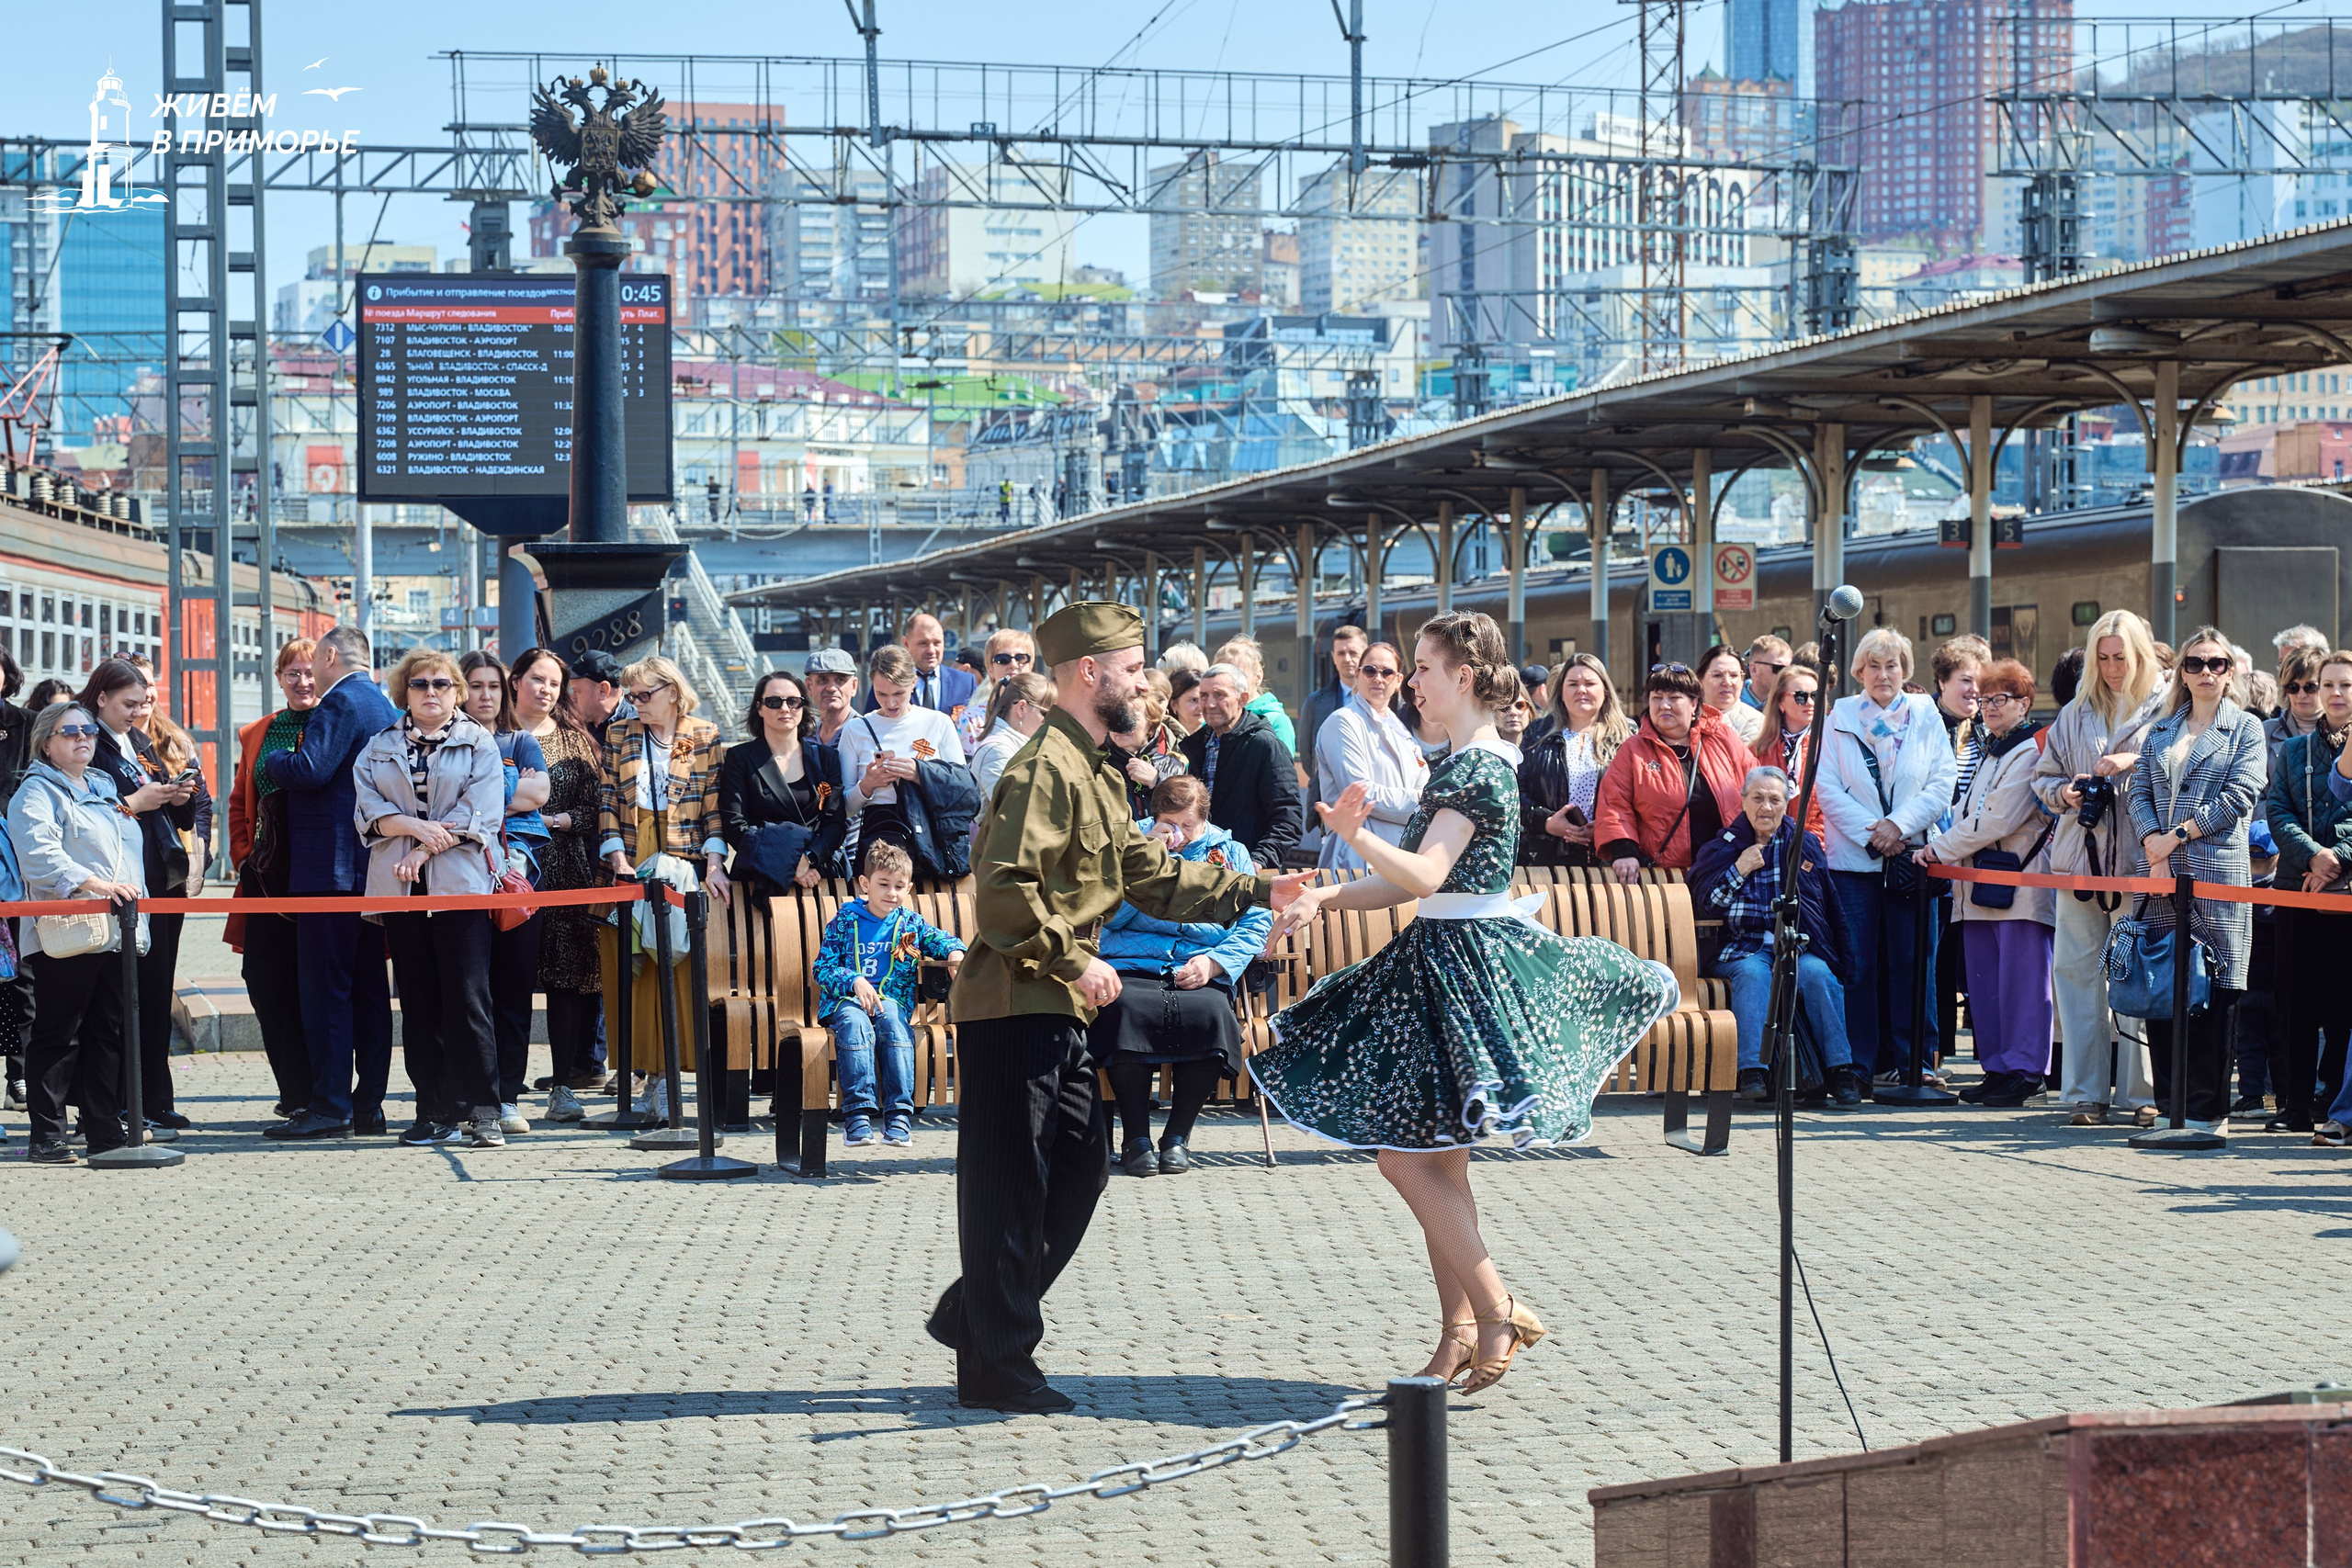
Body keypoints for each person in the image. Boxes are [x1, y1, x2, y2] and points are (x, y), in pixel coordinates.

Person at [1254, 610, 1678, 1394]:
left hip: (1462, 967)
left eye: (1422, 666)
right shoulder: (1460, 762)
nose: (1411, 680)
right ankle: (1459, 1334)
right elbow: (1406, 884)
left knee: (1403, 1157)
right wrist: (1328, 894)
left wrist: (1355, 833)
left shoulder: (1476, 768)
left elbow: (1422, 876)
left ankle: (1499, 1305)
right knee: (1437, 1160)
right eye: (1411, 667)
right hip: (1440, 960)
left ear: (1466, 678)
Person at [924, 601, 1307, 1415]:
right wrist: (1077, 957)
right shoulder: (1042, 771)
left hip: (1054, 1004)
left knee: (1078, 1168)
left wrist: (1258, 887)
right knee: (1010, 1186)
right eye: (1134, 668)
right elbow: (1000, 899)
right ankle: (996, 1361)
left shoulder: (1093, 768)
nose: (1146, 682)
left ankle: (977, 1313)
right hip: (1016, 1001)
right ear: (1088, 674)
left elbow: (1154, 874)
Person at [355, 650, 506, 1149]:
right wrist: (412, 828)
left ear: (457, 690)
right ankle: (432, 1109)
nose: (431, 692)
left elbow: (479, 815)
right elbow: (368, 811)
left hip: (458, 886)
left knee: (468, 998)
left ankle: (482, 1111)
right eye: (419, 685)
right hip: (400, 889)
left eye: (442, 683)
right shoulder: (378, 746)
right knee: (418, 1001)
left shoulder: (478, 742)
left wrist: (419, 848)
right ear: (405, 693)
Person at [2126, 626, 2267, 1142]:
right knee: (2165, 986)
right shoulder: (2163, 730)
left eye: (2217, 664)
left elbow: (2240, 796)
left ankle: (2208, 1109)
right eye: (2196, 663)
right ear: (2182, 673)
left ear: (2230, 672)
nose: (2206, 672)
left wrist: (2176, 836)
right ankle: (2170, 1105)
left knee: (2217, 986)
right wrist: (2152, 843)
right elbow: (2138, 788)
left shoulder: (2246, 728)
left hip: (2216, 876)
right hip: (2161, 875)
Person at [1094, 773, 1275, 1176]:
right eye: (1169, 823)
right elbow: (1102, 916)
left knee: (1212, 1015)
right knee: (1123, 1011)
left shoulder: (1231, 852)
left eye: (1187, 825)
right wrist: (1147, 864)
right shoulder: (1130, 845)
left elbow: (1256, 923)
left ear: (1205, 819)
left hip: (1200, 963)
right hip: (1131, 965)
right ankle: (1136, 1137)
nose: (1177, 833)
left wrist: (1216, 963)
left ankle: (1177, 1137)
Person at [2030, 610, 2168, 1127]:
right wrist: (2064, 793)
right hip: (2079, 862)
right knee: (2076, 976)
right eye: (2103, 658)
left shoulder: (2167, 707)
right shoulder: (2075, 711)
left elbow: (2184, 765)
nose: (2112, 668)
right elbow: (2042, 780)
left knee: (2135, 977)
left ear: (2140, 656)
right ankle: (2085, 1093)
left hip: (2140, 862)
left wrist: (2136, 762)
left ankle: (2141, 1093)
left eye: (2121, 658)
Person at [263, 624, 399, 1139]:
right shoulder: (383, 706)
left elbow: (310, 769)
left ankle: (329, 1105)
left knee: (326, 990)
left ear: (330, 655)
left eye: (316, 661)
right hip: (369, 872)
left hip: (330, 870)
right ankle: (368, 1105)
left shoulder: (339, 703)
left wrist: (273, 760)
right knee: (367, 990)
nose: (312, 673)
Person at [1815, 628, 1958, 1083]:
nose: (1883, 674)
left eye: (1892, 665)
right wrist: (1875, 834)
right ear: (1858, 671)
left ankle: (1916, 1061)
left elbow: (1943, 781)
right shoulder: (1839, 715)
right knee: (1858, 968)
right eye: (1873, 666)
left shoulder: (1925, 714)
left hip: (1912, 858)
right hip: (1854, 863)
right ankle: (1860, 1065)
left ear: (1905, 670)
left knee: (1914, 963)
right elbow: (1827, 788)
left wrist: (1900, 826)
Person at [8, 701, 147, 1164]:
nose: (83, 737)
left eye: (88, 730)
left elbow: (127, 855)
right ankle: (47, 1135)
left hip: (113, 926)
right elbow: (39, 857)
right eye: (70, 732)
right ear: (46, 743)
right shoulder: (35, 793)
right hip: (65, 929)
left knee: (106, 1031)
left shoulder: (104, 786)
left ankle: (104, 1131)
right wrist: (95, 884)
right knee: (58, 1033)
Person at [1915, 660, 2056, 1109]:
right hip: (1978, 886)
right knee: (1986, 985)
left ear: (2025, 703)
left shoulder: (2029, 749)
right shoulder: (1992, 748)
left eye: (2003, 699)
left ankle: (2025, 1070)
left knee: (2023, 983)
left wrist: (1940, 848)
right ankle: (1997, 1068)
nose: (1991, 707)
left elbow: (1998, 818)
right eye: (1986, 699)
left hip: (2019, 885)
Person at [599, 656, 731, 1120]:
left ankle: (671, 1080)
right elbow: (608, 799)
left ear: (672, 692)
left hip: (684, 860)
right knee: (631, 967)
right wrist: (616, 858)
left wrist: (716, 863)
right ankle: (642, 1078)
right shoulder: (621, 734)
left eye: (643, 695)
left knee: (677, 962)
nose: (634, 704)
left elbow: (715, 806)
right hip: (632, 853)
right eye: (630, 695)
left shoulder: (705, 734)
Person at [75, 658, 203, 1132]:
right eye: (128, 703)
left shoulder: (139, 741)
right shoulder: (88, 743)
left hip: (158, 879)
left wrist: (176, 798)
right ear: (101, 697)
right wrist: (134, 802)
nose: (138, 711)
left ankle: (154, 1095)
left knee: (153, 994)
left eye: (143, 702)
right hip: (121, 883)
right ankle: (121, 1101)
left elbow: (169, 810)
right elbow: (79, 811)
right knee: (123, 997)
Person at [1689, 765, 1859, 1104]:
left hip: (1795, 945)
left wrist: (1840, 955)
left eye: (1774, 800)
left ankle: (1840, 1070)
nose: (1766, 807)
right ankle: (1753, 1071)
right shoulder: (1723, 846)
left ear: (1786, 804)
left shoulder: (1804, 844)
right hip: (1741, 948)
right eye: (1758, 798)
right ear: (1743, 801)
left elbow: (1828, 906)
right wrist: (1739, 869)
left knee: (1818, 974)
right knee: (1753, 975)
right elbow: (1705, 905)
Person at [811, 839, 966, 1148]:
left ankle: (898, 1116)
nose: (891, 893)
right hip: (847, 1003)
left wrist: (956, 952)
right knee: (856, 1028)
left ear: (908, 888)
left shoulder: (910, 923)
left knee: (896, 1028)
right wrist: (853, 980)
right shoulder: (845, 921)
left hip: (891, 1002)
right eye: (883, 884)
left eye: (898, 886)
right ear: (865, 883)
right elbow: (822, 968)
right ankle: (857, 1116)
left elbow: (942, 939)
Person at [509, 648, 610, 1121]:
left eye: (554, 682)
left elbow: (599, 811)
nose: (545, 690)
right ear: (515, 682)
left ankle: (564, 1086)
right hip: (505, 871)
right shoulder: (489, 736)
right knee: (505, 981)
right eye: (536, 679)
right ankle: (503, 1086)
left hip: (565, 870)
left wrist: (559, 819)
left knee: (567, 980)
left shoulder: (577, 741)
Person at [227, 638, 318, 1118]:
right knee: (263, 978)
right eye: (292, 674)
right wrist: (243, 857)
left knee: (315, 984)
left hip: (323, 879)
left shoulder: (336, 723)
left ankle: (318, 1092)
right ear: (279, 678)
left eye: (310, 673)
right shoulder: (259, 732)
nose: (303, 683)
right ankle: (292, 1087)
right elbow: (239, 800)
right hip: (265, 877)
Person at [461, 650, 549, 1134]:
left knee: (514, 991)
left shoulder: (519, 740)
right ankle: (474, 1096)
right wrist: (506, 793)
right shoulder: (446, 741)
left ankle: (509, 1097)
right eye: (476, 686)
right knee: (471, 993)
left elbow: (540, 796)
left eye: (493, 686)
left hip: (518, 881)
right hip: (462, 879)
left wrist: (475, 797)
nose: (486, 696)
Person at [2267, 650, 2352, 1145]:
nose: (2336, 694)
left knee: (2344, 1004)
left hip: (2345, 894)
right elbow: (2278, 810)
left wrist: (2337, 857)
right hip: (2297, 887)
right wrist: (2312, 856)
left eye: (2345, 685)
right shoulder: (2294, 751)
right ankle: (2294, 1104)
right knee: (2294, 1000)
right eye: (2328, 685)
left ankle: (2335, 1103)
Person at [1594, 661, 1751, 882]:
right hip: (1662, 876)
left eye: (1674, 698)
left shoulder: (1723, 738)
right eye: (1656, 698)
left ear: (1694, 703)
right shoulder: (1633, 750)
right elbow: (1614, 805)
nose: (1664, 705)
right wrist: (1624, 851)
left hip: (1726, 870)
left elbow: (1756, 788)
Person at [836, 643, 970, 874]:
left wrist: (920, 773)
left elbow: (963, 790)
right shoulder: (855, 729)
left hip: (931, 837)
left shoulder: (938, 722)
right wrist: (868, 784)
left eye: (898, 693)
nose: (890, 703)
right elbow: (844, 808)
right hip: (880, 838)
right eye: (881, 694)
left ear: (913, 683)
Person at [719, 670, 849, 897]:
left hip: (816, 877)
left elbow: (834, 823)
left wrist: (808, 858)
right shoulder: (740, 757)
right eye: (773, 702)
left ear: (803, 706)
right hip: (758, 879)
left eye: (793, 701)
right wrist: (789, 865)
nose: (785, 708)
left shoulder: (827, 758)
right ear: (759, 708)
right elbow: (735, 826)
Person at [1314, 640, 1428, 872]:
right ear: (1357, 676)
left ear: (1398, 681)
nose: (1378, 678)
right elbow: (1360, 793)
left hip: (1399, 855)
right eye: (1369, 671)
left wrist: (1423, 799)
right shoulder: (1343, 722)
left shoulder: (1401, 730)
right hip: (1357, 859)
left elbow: (1425, 783)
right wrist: (1420, 802)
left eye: (1387, 672)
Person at [1180, 663, 1303, 865]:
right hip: (1204, 869)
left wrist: (1259, 861)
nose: (1209, 704)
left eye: (1219, 695)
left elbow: (1288, 818)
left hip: (1246, 874)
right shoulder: (1200, 745)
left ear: (1242, 699)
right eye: (1204, 695)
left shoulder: (1264, 745)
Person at [1516, 654, 1630, 868]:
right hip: (1547, 860)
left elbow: (1640, 799)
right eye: (1573, 684)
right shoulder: (1537, 733)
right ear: (1560, 691)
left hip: (1609, 862)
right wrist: (1547, 822)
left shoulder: (1627, 736)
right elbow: (1516, 792)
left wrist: (1609, 827)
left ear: (1604, 690)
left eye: (1589, 683)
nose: (1581, 690)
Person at [1750, 663, 1827, 838]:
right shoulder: (1755, 752)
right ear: (1780, 703)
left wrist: (1805, 845)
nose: (1809, 702)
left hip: (1814, 850)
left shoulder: (1831, 748)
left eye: (1815, 696)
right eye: (1800, 696)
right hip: (1767, 849)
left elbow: (1834, 807)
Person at [869, 612, 981, 726]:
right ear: (906, 643)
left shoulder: (965, 683)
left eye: (937, 643)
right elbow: (872, 726)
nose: (931, 650)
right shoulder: (886, 682)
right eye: (923, 643)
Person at [1301, 625, 1369, 806]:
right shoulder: (1315, 703)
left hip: (1375, 802)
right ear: (1333, 657)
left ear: (1365, 654)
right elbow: (1309, 759)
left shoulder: (1387, 702)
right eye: (1340, 653)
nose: (1347, 659)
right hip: (1330, 804)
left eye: (1353, 653)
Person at [969, 672, 1054, 805]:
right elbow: (1013, 809)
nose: (1049, 720)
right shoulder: (996, 752)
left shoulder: (1012, 746)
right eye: (1045, 713)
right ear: (1021, 708)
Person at [1108, 693, 1186, 822]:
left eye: (1131, 718)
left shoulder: (1173, 767)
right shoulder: (1100, 764)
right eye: (1115, 718)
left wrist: (1157, 781)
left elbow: (1187, 817)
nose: (1120, 724)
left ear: (1150, 724)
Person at [1211, 637, 1296, 751]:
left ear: (1258, 677)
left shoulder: (1276, 722)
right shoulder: (1212, 721)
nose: (1230, 684)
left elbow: (1282, 768)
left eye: (1239, 675)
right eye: (1222, 677)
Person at [958, 627, 1037, 750]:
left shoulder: (1044, 714)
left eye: (1021, 658)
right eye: (1003, 659)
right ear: (990, 669)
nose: (1013, 665)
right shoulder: (971, 720)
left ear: (1031, 666)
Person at [567, 649, 637, 749]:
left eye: (576, 691)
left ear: (603, 690)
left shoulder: (638, 728)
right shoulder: (575, 725)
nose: (572, 698)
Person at [1699, 645, 1763, 746]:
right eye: (1718, 675)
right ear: (1700, 680)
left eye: (1734, 675)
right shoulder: (1687, 717)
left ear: (1742, 680)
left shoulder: (1756, 721)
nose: (1727, 682)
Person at [804, 647, 860, 747]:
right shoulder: (804, 737)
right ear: (809, 686)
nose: (831, 688)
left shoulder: (865, 734)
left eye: (840, 680)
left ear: (854, 686)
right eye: (822, 680)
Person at [1743, 635, 1792, 711]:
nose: (1785, 675)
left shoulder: (1793, 705)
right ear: (1754, 669)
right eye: (1778, 668)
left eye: (1789, 669)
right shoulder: (1733, 704)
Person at [1167, 668, 1204, 734]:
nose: (1200, 707)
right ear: (1174, 704)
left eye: (1204, 698)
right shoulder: (1164, 740)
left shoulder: (1217, 737)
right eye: (1193, 700)